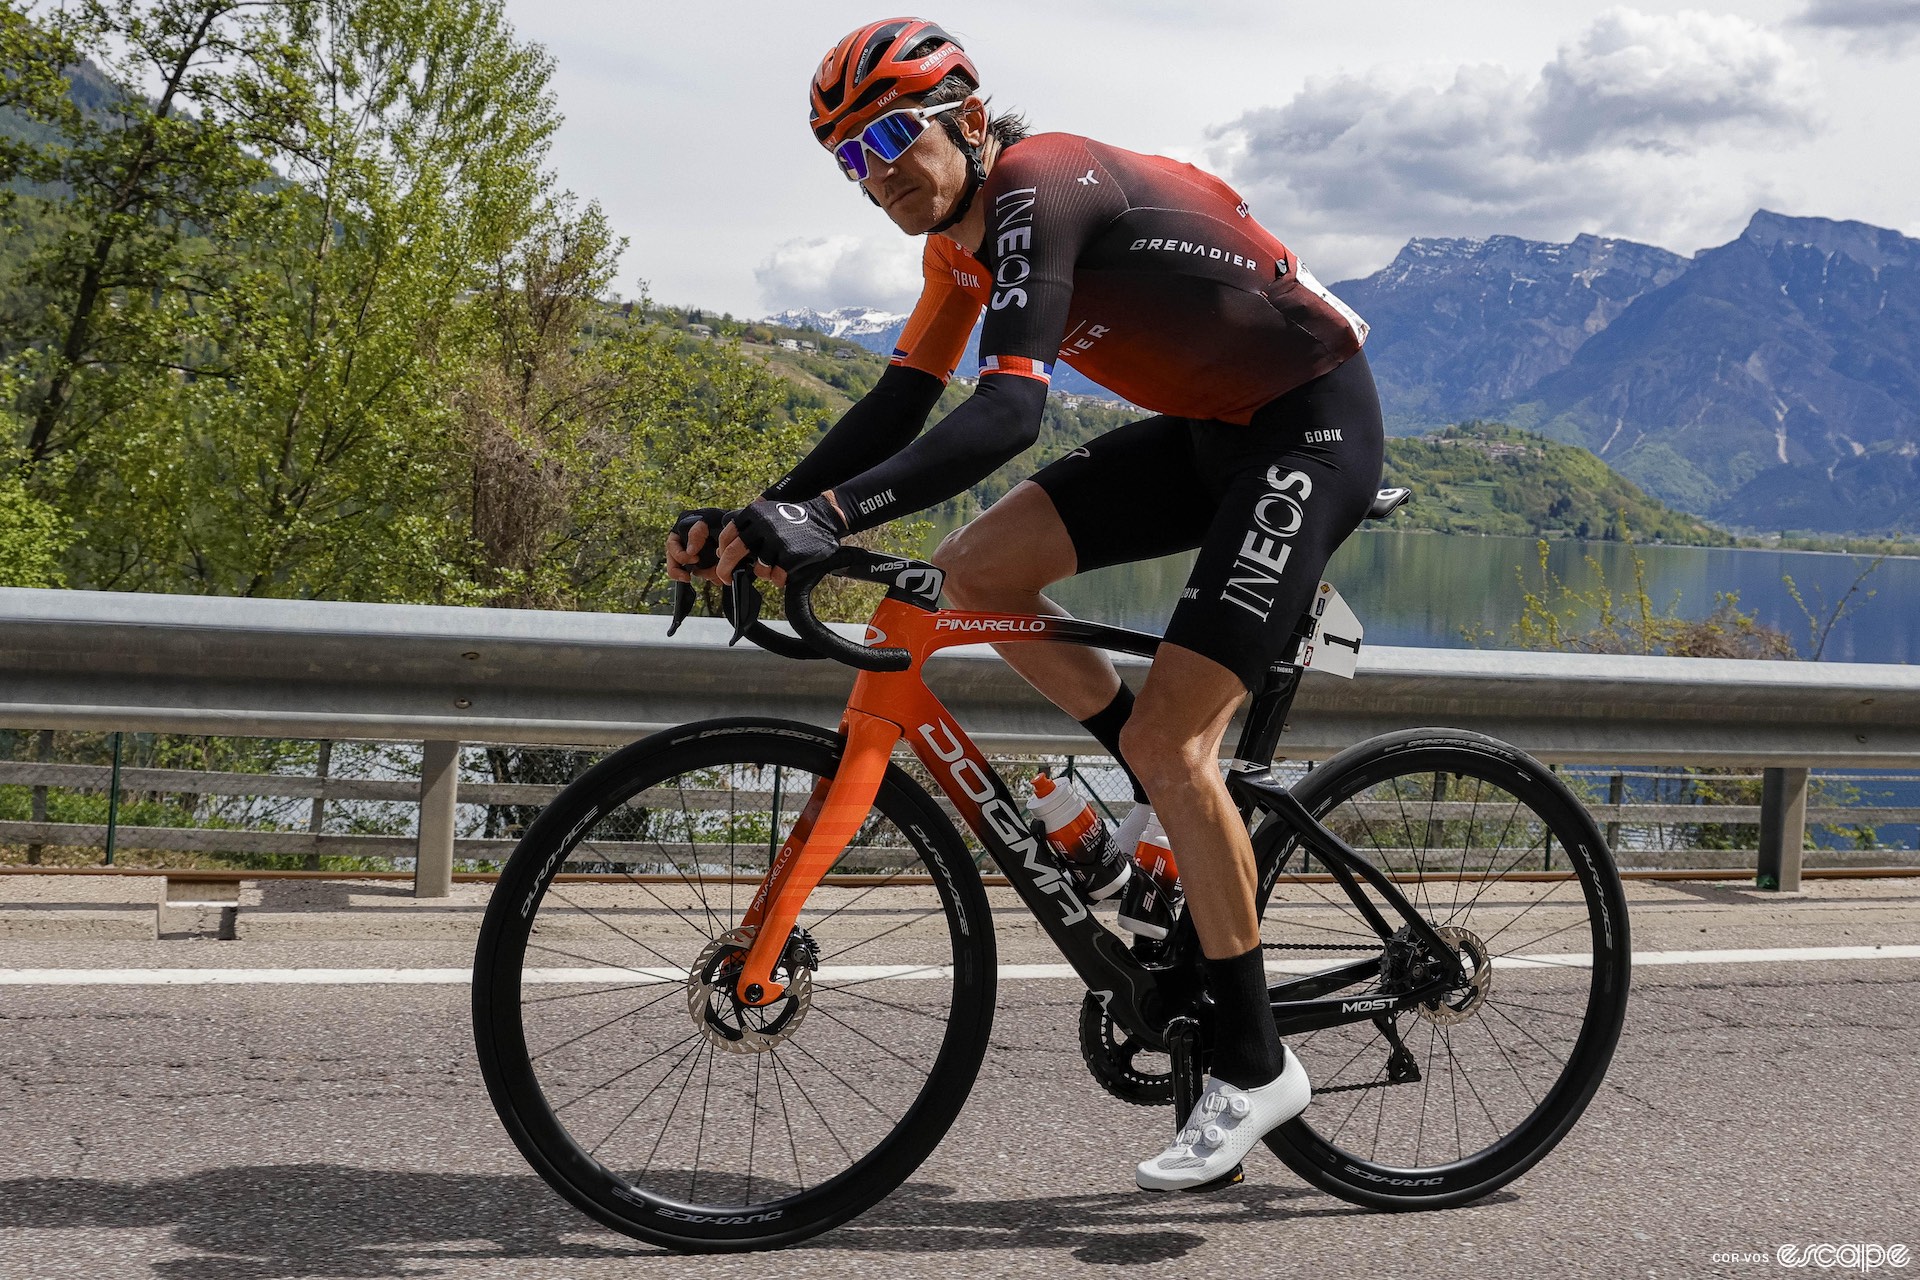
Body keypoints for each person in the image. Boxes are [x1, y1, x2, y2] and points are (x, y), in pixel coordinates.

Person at [666, 17, 1384, 1193]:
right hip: (1215, 433)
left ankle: (1256, 1065)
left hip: (1310, 420)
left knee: (1172, 737)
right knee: (973, 571)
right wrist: (757, 516)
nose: (879, 170)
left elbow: (1006, 418)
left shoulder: (1038, 189)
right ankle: (1151, 812)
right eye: (851, 157)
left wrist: (830, 521)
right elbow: (900, 407)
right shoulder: (955, 253)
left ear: (963, 115)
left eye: (894, 135)